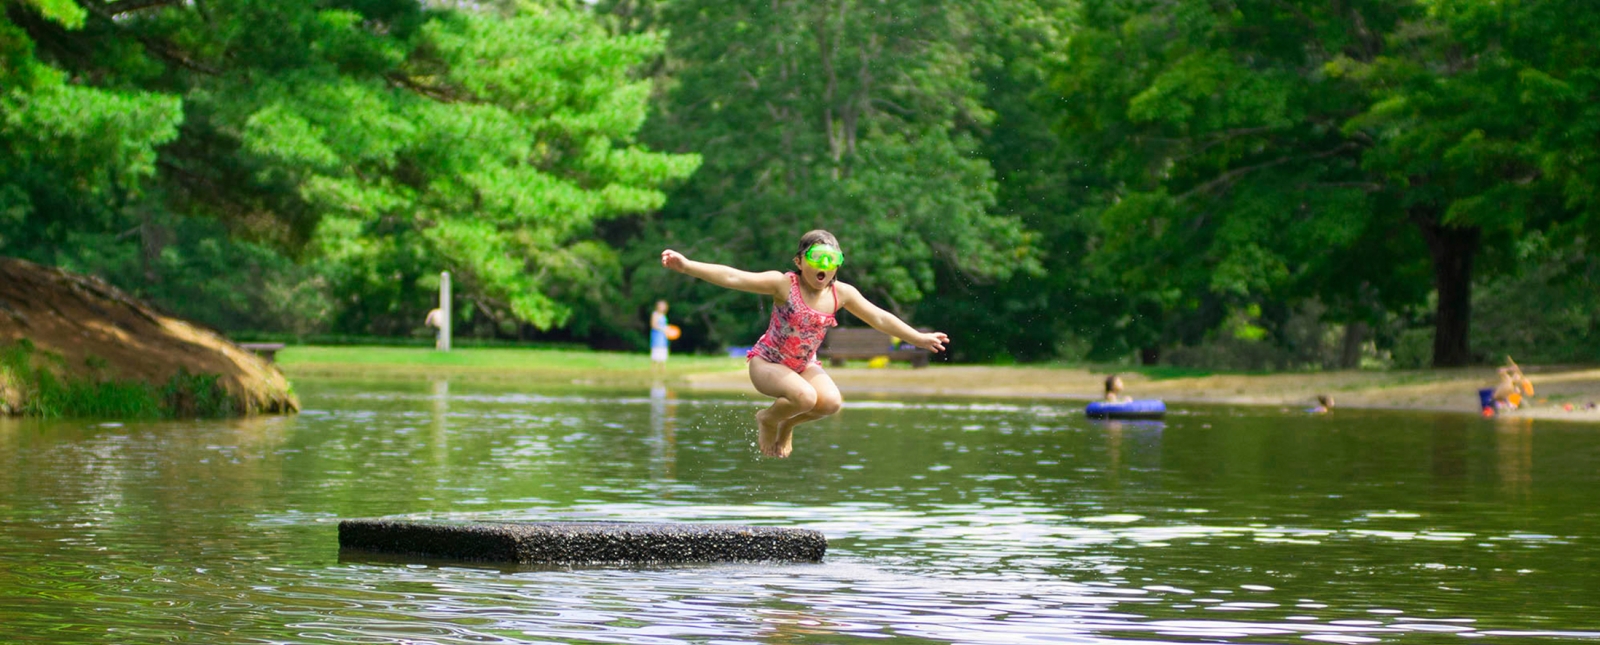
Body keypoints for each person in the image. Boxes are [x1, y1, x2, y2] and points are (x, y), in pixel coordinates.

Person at [661, 230, 949, 458]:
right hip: (768, 363)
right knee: (806, 398)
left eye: (832, 260)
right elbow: (734, 276)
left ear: (838, 265)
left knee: (831, 403)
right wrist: (687, 266)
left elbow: (880, 318)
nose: (824, 267)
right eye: (817, 258)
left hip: (803, 365)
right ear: (799, 262)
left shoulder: (841, 294)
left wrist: (918, 338)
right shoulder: (783, 284)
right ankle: (769, 420)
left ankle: (786, 425)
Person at [649, 300, 670, 372]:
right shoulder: (655, 314)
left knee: (663, 352)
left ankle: (663, 369)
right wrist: (662, 329)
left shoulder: (664, 315)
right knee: (656, 352)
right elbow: (653, 325)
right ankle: (653, 369)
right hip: (657, 336)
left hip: (663, 336)